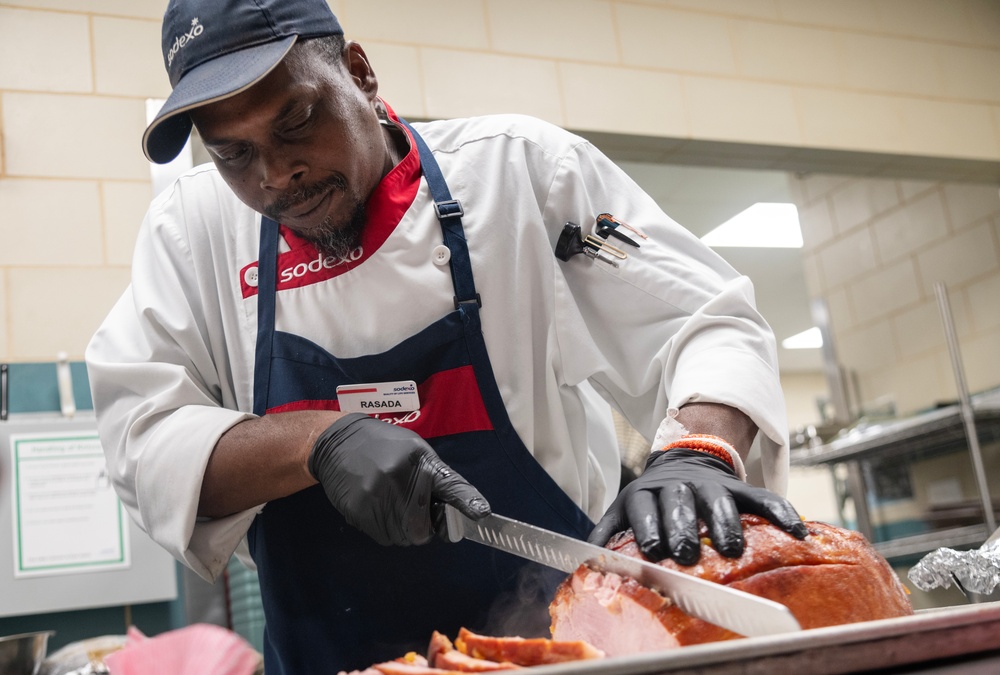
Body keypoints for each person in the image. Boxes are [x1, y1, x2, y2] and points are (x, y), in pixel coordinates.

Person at [86, 0, 807, 672]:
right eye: (233, 155)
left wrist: (698, 450)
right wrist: (318, 442)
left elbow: (704, 316)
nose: (276, 175)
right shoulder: (192, 233)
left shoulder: (521, 173)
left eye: (298, 119)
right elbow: (143, 442)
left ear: (360, 75)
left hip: (563, 649)